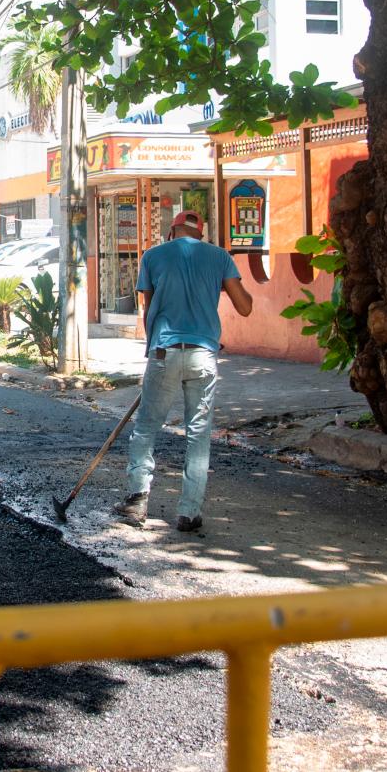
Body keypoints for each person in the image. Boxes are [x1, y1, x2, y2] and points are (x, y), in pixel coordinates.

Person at [114, 210, 252, 533]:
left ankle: (137, 499)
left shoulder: (153, 256)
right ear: (200, 234)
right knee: (198, 434)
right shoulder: (219, 258)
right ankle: (189, 512)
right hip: (204, 354)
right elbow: (245, 307)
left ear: (172, 231)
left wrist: (153, 355)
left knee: (147, 427)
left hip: (165, 352)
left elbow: (149, 311)